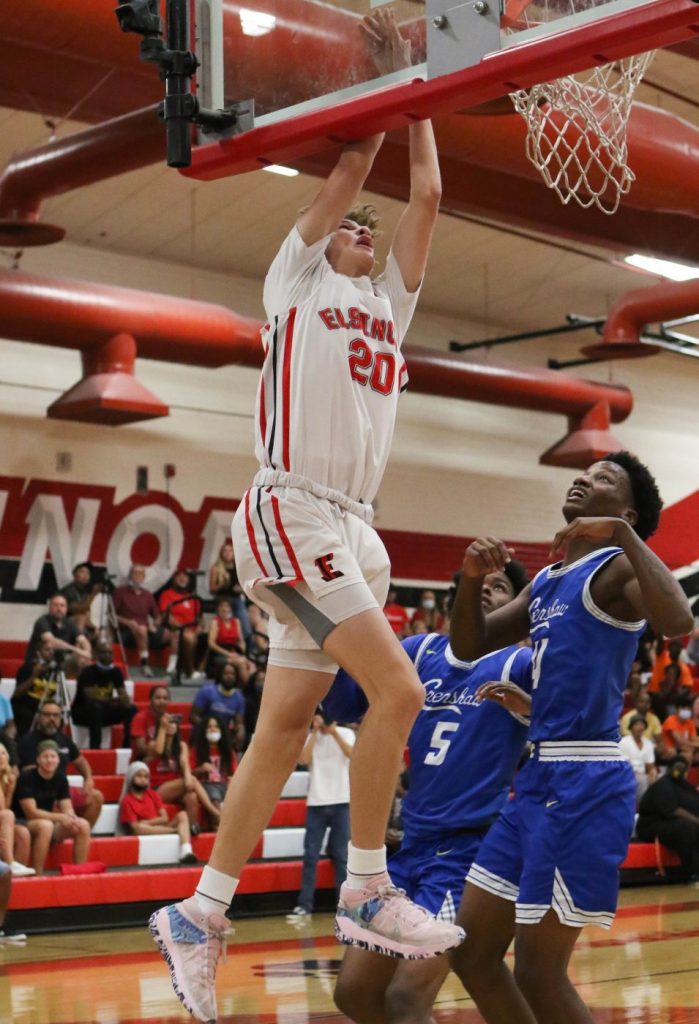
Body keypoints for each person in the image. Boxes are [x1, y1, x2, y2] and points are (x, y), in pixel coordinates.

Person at [148, 13, 462, 1024]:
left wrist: (424, 100)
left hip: (357, 528)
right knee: (400, 690)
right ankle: (366, 887)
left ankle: (199, 911)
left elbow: (428, 192)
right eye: (349, 224)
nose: (362, 228)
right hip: (291, 506)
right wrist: (392, 72)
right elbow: (356, 160)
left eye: (370, 227)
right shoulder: (295, 279)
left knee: (283, 727)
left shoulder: (390, 308)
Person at [446, 451, 692, 1024]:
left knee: (538, 972)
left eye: (604, 478)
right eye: (586, 472)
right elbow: (468, 646)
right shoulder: (547, 581)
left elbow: (678, 620)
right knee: (472, 953)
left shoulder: (618, 567)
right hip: (536, 778)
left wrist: (624, 536)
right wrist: (471, 578)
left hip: (585, 780)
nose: (584, 478)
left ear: (627, 512)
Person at [333, 561, 533, 1024]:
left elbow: (571, 719)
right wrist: (330, 641)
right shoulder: (419, 651)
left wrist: (533, 708)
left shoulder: (519, 663)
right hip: (409, 846)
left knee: (407, 997)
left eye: (500, 586)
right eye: (476, 584)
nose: (486, 591)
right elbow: (343, 705)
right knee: (354, 993)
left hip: (467, 851)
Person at [287, 711, 356, 921]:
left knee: (342, 857)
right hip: (316, 802)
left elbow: (353, 755)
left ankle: (344, 907)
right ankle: (304, 905)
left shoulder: (346, 733)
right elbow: (303, 759)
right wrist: (315, 732)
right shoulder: (311, 737)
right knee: (310, 856)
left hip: (341, 801)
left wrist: (333, 732)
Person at [17, 701, 104, 828]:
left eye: (56, 715)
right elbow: (27, 772)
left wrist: (88, 778)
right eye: (47, 715)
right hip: (40, 792)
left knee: (96, 796)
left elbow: (81, 762)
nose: (51, 718)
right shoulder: (27, 741)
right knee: (52, 804)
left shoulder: (64, 739)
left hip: (62, 789)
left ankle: (80, 830)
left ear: (60, 718)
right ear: (39, 716)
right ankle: (59, 831)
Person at [16, 739, 91, 874]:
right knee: (46, 826)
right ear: (38, 760)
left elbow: (66, 806)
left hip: (48, 820)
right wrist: (61, 817)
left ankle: (80, 872)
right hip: (23, 821)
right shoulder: (26, 777)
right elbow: (31, 813)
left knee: (83, 825)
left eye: (53, 756)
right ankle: (38, 874)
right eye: (45, 756)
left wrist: (71, 818)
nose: (50, 760)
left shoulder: (61, 778)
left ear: (58, 760)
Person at [143, 709, 221, 832]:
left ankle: (192, 827)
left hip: (177, 787)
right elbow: (158, 751)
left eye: (174, 723)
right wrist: (163, 727)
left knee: (192, 796)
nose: (172, 725)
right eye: (169, 722)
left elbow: (184, 763)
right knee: (192, 781)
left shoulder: (181, 745)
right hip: (157, 789)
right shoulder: (152, 744)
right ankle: (215, 813)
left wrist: (188, 777)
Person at [119, 762, 198, 864]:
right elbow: (134, 827)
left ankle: (186, 851)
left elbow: (164, 818)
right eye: (139, 776)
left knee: (182, 815)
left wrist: (147, 822)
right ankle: (175, 831)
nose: (143, 779)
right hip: (145, 831)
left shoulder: (153, 794)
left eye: (146, 777)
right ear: (131, 777)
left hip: (160, 826)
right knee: (140, 827)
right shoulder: (127, 800)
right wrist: (150, 824)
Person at [636, 755, 699, 882]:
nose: (679, 771)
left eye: (683, 768)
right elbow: (673, 810)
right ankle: (688, 872)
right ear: (670, 769)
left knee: (688, 826)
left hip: (674, 823)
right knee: (686, 828)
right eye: (677, 768)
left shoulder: (687, 787)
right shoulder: (663, 785)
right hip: (652, 825)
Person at [70, 638, 138, 749]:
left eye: (110, 653)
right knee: (96, 708)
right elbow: (90, 699)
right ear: (97, 654)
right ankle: (95, 748)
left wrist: (125, 700)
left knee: (131, 708)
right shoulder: (88, 671)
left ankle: (127, 745)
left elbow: (123, 696)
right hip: (82, 712)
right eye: (104, 652)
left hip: (103, 710)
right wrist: (114, 700)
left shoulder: (116, 671)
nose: (107, 655)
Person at [113, 564, 168, 678]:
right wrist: (127, 622)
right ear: (130, 575)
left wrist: (154, 624)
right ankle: (144, 664)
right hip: (127, 631)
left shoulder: (147, 594)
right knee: (142, 629)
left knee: (172, 635)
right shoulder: (120, 592)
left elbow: (157, 617)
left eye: (141, 574)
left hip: (146, 629)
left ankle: (171, 669)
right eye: (135, 573)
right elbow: (111, 615)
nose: (137, 576)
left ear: (144, 577)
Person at [23, 593, 92, 676]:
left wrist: (87, 653)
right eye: (55, 605)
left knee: (84, 662)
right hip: (38, 663)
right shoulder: (42, 622)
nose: (59, 609)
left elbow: (83, 640)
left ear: (66, 609)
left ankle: (83, 684)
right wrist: (78, 651)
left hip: (60, 663)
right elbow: (52, 642)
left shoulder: (69, 623)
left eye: (62, 606)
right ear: (50, 608)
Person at [12, 639, 64, 737]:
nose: (51, 653)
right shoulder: (27, 668)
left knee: (56, 715)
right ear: (38, 652)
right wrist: (34, 675)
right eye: (47, 650)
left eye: (52, 650)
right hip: (27, 706)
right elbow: (17, 693)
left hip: (46, 707)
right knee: (27, 716)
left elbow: (63, 696)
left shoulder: (55, 671)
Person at [158, 569, 204, 681]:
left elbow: (200, 618)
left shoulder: (193, 598)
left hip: (192, 629)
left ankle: (194, 669)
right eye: (179, 576)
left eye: (185, 577)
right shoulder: (167, 594)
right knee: (189, 638)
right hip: (176, 629)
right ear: (174, 579)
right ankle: (189, 671)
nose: (182, 579)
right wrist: (182, 627)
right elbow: (166, 615)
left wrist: (199, 627)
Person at [190, 661, 247, 749]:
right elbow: (193, 716)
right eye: (226, 673)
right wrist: (210, 727)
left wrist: (241, 731)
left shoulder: (239, 697)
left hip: (223, 734)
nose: (229, 676)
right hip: (203, 731)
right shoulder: (206, 691)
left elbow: (239, 722)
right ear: (220, 675)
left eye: (232, 674)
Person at [188, 716, 236, 814]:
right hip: (206, 785)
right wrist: (201, 769)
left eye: (216, 726)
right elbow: (189, 775)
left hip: (224, 785)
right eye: (209, 727)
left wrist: (231, 781)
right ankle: (218, 816)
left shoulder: (229, 752)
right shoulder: (195, 751)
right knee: (215, 799)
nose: (213, 729)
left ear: (221, 730)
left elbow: (235, 774)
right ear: (204, 731)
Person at [0, 742, 33, 876]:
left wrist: (9, 790)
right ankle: (10, 864)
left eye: (3, 753)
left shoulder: (8, 779)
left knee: (23, 833)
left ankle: (17, 880)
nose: (0, 757)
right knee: (8, 815)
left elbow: (4, 808)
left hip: (2, 819)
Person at [208, 540, 251, 642]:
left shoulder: (238, 567)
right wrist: (222, 585)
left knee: (245, 626)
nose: (227, 553)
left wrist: (240, 589)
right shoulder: (216, 568)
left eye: (230, 551)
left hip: (236, 598)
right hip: (222, 599)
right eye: (225, 551)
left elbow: (246, 586)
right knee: (226, 626)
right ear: (221, 553)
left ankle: (247, 647)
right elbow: (212, 589)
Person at [619, 713, 657, 804]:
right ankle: (640, 807)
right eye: (637, 724)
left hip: (643, 774)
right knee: (642, 780)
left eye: (642, 724)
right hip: (628, 774)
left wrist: (652, 773)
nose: (640, 727)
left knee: (659, 779)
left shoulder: (648, 743)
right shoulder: (624, 742)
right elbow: (623, 765)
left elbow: (650, 765)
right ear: (631, 727)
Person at [204, 597, 245, 675]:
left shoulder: (236, 621)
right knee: (241, 663)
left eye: (227, 606)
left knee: (250, 664)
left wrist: (242, 652)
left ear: (231, 608)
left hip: (234, 651)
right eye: (221, 606)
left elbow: (241, 641)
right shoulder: (215, 622)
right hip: (220, 653)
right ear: (218, 608)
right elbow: (211, 643)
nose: (224, 609)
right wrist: (229, 654)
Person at [60, 561, 100, 638]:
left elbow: (86, 614)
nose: (86, 575)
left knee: (100, 632)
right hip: (64, 624)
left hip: (81, 625)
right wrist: (93, 594)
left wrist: (93, 627)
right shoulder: (69, 590)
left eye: (88, 573)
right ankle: (79, 643)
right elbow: (77, 611)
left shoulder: (85, 592)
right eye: (82, 572)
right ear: (74, 575)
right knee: (81, 618)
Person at [660, 696, 699, 764]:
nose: (686, 711)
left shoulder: (690, 722)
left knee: (690, 752)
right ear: (676, 709)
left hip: (685, 748)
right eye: (683, 708)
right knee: (687, 754)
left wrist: (694, 744)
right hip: (670, 749)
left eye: (688, 709)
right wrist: (695, 745)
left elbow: (694, 738)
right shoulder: (670, 720)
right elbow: (680, 741)